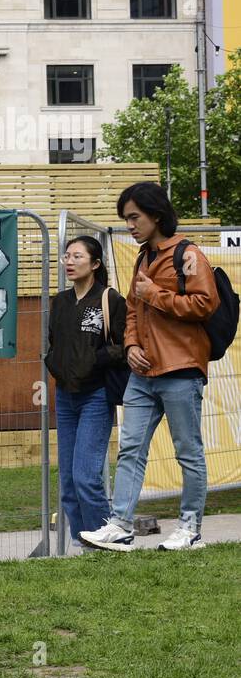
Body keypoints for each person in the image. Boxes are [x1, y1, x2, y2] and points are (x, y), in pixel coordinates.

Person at [81, 183, 220, 552]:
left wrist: (154, 294)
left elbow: (205, 303)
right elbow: (130, 312)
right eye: (126, 219)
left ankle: (189, 529)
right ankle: (120, 525)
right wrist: (129, 346)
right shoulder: (143, 258)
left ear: (156, 215)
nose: (129, 225)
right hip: (142, 374)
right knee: (130, 449)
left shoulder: (188, 255)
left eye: (134, 217)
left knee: (187, 451)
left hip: (181, 370)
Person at [46, 235, 126, 547]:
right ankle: (82, 543)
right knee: (67, 481)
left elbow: (123, 344)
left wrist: (95, 360)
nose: (69, 261)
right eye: (66, 256)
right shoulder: (61, 302)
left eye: (77, 256)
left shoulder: (109, 299)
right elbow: (54, 342)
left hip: (96, 395)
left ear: (95, 264)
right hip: (65, 397)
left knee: (86, 476)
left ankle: (105, 539)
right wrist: (54, 363)